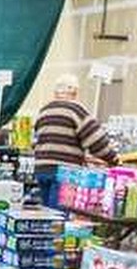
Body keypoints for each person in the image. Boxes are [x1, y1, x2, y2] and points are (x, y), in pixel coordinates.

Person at [34, 74, 117, 208]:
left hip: (41, 168)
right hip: (64, 172)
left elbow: (37, 139)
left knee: (47, 213)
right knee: (60, 214)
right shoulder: (76, 111)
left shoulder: (44, 111)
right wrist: (113, 159)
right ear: (75, 92)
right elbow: (96, 142)